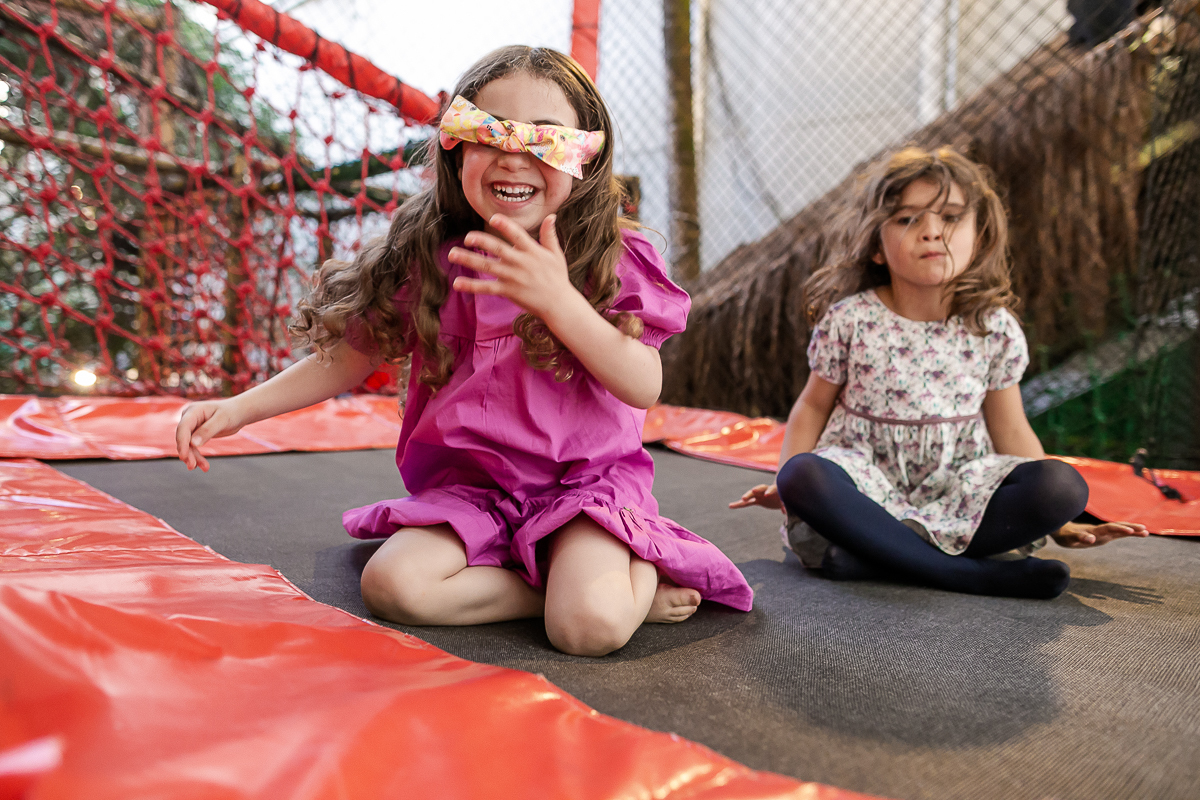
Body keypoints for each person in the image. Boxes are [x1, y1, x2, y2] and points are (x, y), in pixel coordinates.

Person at [176, 46, 753, 656]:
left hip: (582, 488)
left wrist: (557, 300)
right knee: (393, 586)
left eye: (543, 140)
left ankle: (626, 582)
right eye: (491, 134)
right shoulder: (430, 254)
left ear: (585, 156)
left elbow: (643, 384)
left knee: (589, 629)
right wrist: (238, 409)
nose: (513, 157)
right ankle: (544, 590)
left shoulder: (612, 257)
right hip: (472, 493)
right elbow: (351, 355)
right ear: (457, 146)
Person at [730, 146, 1147, 599]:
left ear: (979, 235)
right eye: (907, 220)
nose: (931, 232)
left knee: (1062, 487)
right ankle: (967, 574)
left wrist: (1060, 520)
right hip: (868, 486)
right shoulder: (850, 319)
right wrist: (785, 486)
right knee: (801, 476)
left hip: (957, 489)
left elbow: (1009, 424)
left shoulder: (992, 325)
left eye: (949, 217)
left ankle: (875, 558)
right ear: (875, 246)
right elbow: (811, 405)